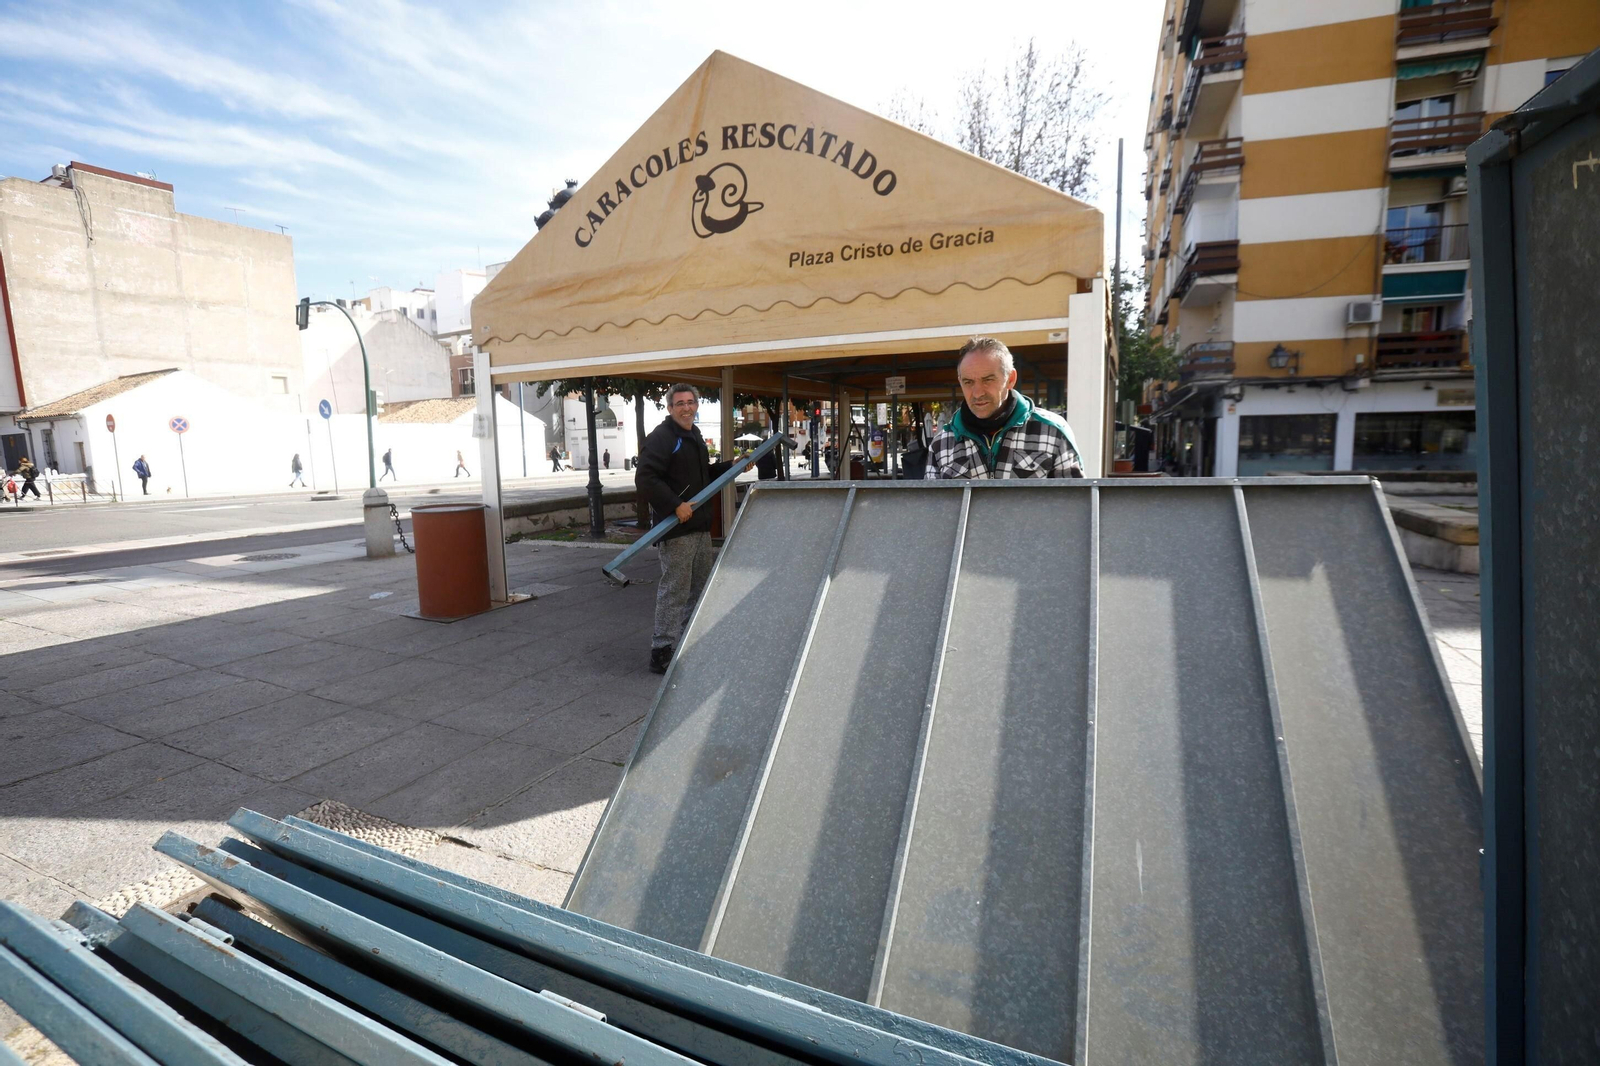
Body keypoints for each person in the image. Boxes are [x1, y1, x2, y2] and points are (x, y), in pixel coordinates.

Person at [636, 383, 733, 674]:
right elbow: (646, 478)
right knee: (675, 591)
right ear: (670, 408)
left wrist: (731, 465)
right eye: (680, 403)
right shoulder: (664, 437)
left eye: (691, 402)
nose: (686, 407)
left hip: (700, 526)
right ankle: (661, 652)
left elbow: (702, 478)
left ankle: (690, 642)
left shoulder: (694, 435)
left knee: (700, 589)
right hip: (677, 529)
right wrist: (674, 505)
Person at [925, 337, 1084, 480]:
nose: (978, 392)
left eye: (988, 380)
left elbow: (1074, 504)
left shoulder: (1053, 431)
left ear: (1011, 379)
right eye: (968, 382)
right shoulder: (942, 443)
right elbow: (932, 509)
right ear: (960, 382)